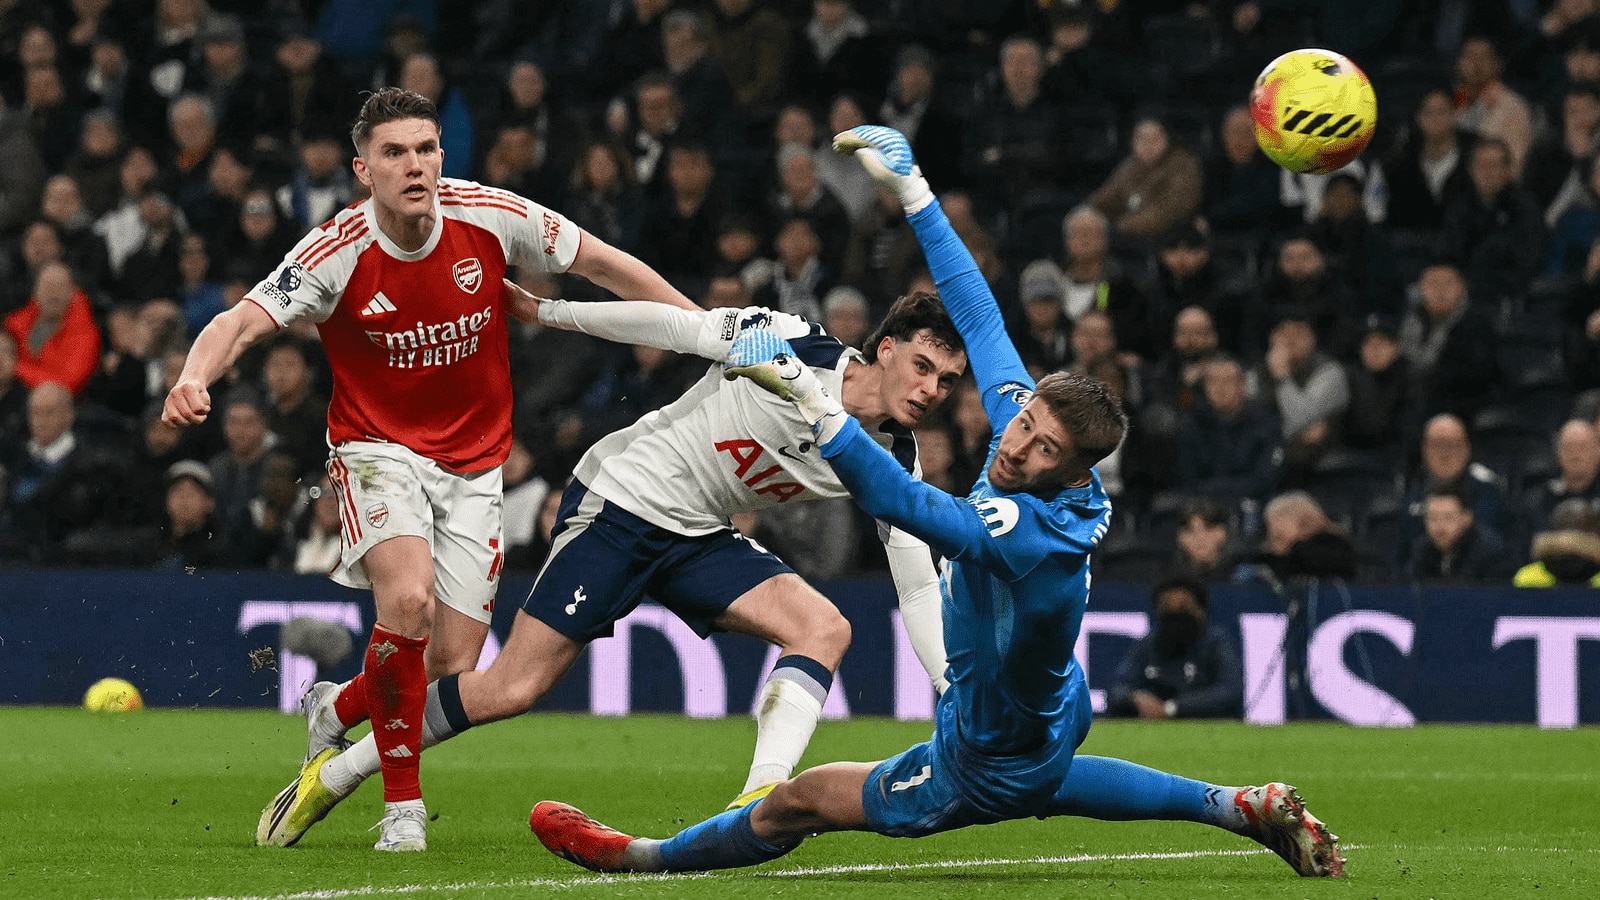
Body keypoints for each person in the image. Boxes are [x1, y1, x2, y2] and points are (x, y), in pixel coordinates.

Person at [527, 125, 1342, 880]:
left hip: (981, 755)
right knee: (1052, 774)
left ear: (1071, 473)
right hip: (1050, 711)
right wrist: (915, 191)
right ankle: (1234, 806)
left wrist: (810, 399)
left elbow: (905, 504)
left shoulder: (1029, 529)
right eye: (1023, 422)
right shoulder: (1039, 435)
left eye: (1041, 449)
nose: (1016, 446)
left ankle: (637, 859)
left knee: (795, 803)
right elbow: (979, 311)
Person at [255, 165, 969, 853]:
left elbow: (915, 585)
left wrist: (951, 691)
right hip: (624, 500)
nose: (931, 390)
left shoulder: (895, 461)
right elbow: (670, 327)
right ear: (884, 350)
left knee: (823, 627)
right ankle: (339, 771)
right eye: (922, 366)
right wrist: (548, 311)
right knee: (512, 687)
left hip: (699, 534)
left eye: (947, 381)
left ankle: (758, 801)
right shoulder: (788, 342)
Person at [163, 88, 698, 852]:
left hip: (475, 467)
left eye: (425, 148)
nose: (414, 165)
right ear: (363, 170)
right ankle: (403, 809)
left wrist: (707, 332)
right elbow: (240, 321)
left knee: (450, 669)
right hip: (376, 451)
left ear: (442, 154)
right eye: (394, 153)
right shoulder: (335, 250)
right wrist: (194, 376)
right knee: (407, 603)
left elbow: (607, 265)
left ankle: (336, 708)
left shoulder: (491, 215)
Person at [1105, 577, 1244, 720]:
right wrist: (1137, 698)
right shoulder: (1148, 644)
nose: (1175, 612)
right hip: (1153, 727)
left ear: (1200, 611)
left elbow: (1230, 690)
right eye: (1167, 607)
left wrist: (1175, 707)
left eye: (1184, 607)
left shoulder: (1215, 643)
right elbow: (1117, 688)